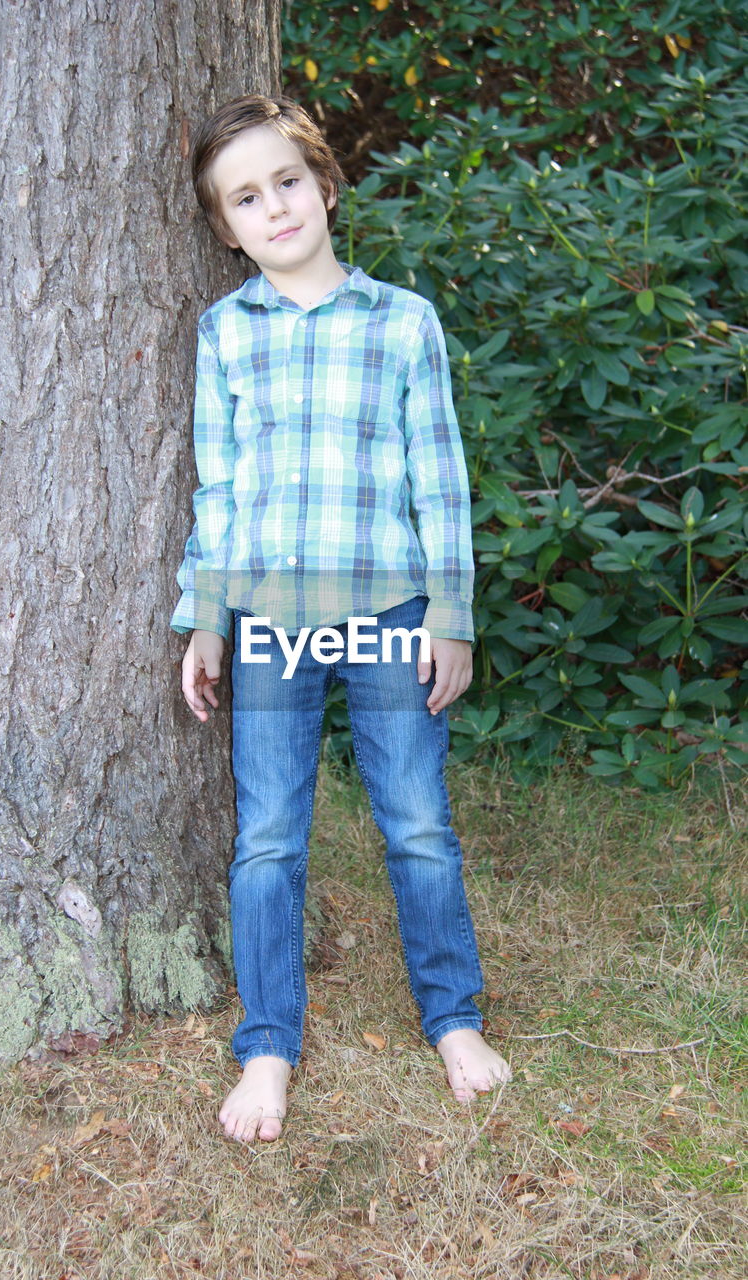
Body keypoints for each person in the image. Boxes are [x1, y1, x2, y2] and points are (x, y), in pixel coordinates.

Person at [172, 95, 511, 1143]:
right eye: (244, 197)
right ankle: (268, 1042)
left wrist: (448, 613)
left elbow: (439, 477)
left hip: (388, 609)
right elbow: (218, 488)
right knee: (268, 835)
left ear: (324, 184)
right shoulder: (226, 333)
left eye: (285, 180)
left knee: (413, 818)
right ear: (225, 228)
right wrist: (207, 617)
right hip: (272, 618)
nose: (272, 207)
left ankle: (452, 1016)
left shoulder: (400, 320)